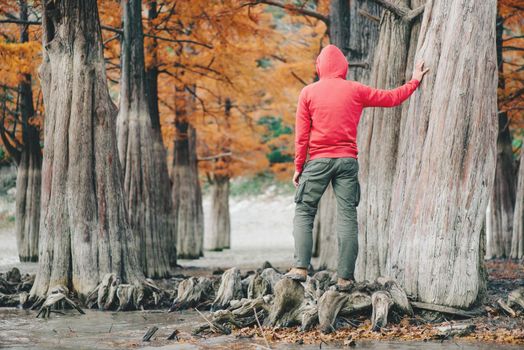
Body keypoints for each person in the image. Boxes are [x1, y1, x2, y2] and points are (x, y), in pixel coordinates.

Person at [285, 44, 429, 290]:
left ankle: (300, 267)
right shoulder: (355, 90)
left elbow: (302, 135)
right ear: (343, 67)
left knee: (305, 211)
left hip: (318, 161)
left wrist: (299, 166)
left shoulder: (308, 93)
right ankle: (345, 278)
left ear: (319, 67)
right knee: (348, 216)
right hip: (347, 162)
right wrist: (414, 80)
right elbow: (392, 98)